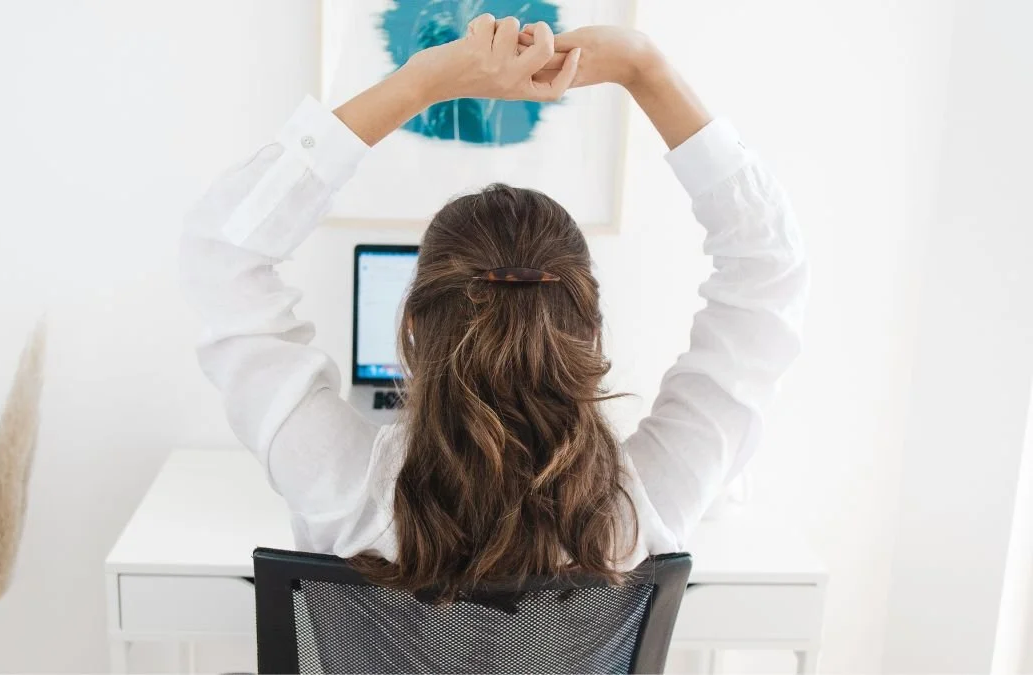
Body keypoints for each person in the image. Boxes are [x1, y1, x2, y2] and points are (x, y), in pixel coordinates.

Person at [180, 16, 807, 600]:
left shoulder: (342, 488)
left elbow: (223, 252)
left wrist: (420, 83)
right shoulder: (643, 502)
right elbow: (768, 263)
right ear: (587, 326)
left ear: (414, 326)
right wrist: (647, 71)